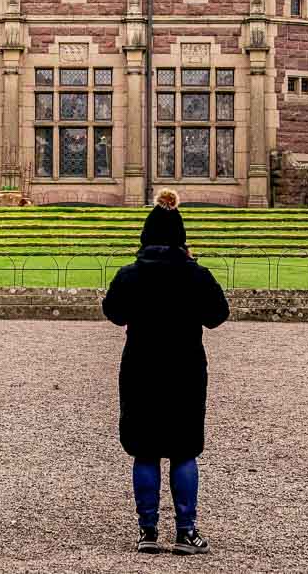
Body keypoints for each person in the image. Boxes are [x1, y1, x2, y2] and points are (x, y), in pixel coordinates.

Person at [102, 188, 230, 555]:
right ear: (181, 238)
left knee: (145, 451)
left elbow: (114, 313)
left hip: (141, 367)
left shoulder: (130, 275)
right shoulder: (196, 275)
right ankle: (186, 531)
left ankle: (147, 531)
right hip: (185, 368)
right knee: (183, 450)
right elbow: (218, 316)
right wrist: (191, 267)